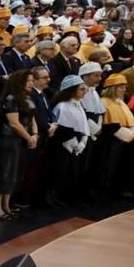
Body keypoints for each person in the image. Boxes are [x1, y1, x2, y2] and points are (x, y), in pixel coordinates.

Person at [0, 70, 37, 218]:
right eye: (28, 81)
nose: (31, 83)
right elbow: (14, 123)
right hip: (9, 140)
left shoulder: (27, 97)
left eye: (32, 80)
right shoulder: (11, 99)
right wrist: (29, 137)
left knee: (15, 172)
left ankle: (6, 204)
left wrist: (35, 134)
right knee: (5, 171)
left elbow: (32, 118)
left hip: (23, 139)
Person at [44, 74, 90, 207]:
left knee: (71, 173)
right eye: (81, 89)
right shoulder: (63, 106)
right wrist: (75, 143)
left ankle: (63, 196)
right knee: (58, 171)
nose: (84, 91)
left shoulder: (79, 105)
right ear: (72, 89)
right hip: (63, 145)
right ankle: (51, 197)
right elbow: (62, 128)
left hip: (76, 143)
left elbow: (83, 125)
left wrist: (83, 142)